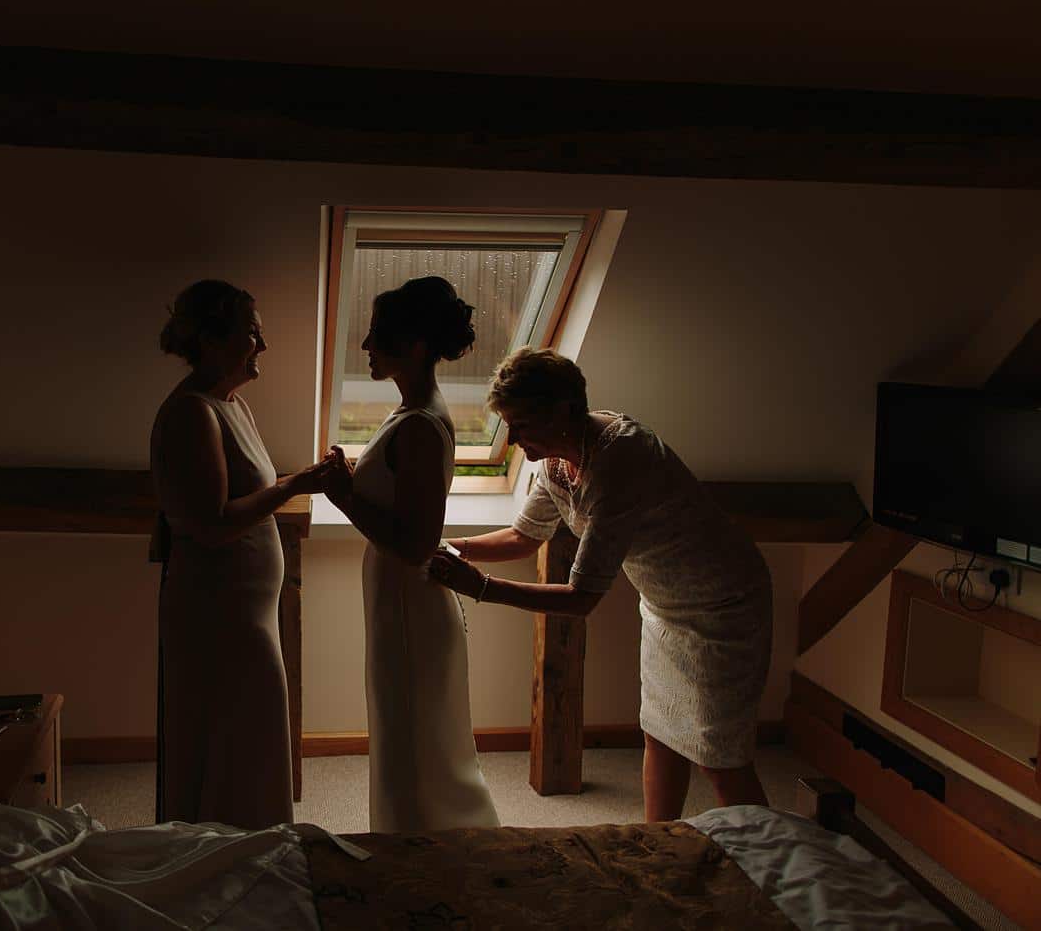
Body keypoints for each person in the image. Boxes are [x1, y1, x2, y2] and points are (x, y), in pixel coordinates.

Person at [427, 347, 773, 822]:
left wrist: (482, 587)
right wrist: (451, 547)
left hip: (725, 604)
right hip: (664, 607)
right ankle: (658, 843)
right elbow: (524, 537)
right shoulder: (553, 462)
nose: (511, 440)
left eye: (521, 424)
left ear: (563, 411)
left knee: (720, 752)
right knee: (661, 733)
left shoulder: (621, 458)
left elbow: (581, 598)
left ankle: (765, 856)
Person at [149, 279, 338, 829]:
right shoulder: (191, 413)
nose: (263, 344)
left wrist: (297, 482)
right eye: (251, 332)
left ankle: (252, 845)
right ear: (211, 338)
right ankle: (222, 850)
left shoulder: (233, 406)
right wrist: (298, 482)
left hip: (245, 611)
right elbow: (210, 525)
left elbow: (242, 495)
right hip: (215, 612)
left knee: (250, 736)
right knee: (229, 736)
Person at [323, 276, 500, 832]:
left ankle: (423, 857)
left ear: (417, 345)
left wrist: (345, 496)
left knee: (411, 734)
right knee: (408, 730)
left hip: (409, 602)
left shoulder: (421, 424)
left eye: (378, 336)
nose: (366, 347)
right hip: (398, 597)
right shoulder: (411, 412)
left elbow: (416, 542)